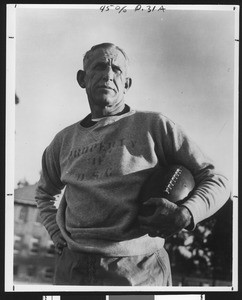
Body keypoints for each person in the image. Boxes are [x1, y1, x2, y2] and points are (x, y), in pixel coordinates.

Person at [35, 42, 231, 286]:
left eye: (116, 69)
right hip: (72, 269)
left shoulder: (155, 126)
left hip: (139, 269)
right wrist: (56, 234)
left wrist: (186, 213)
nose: (108, 75)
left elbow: (218, 180)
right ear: (82, 79)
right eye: (98, 67)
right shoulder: (63, 141)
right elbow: (44, 193)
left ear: (127, 84)